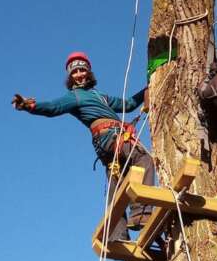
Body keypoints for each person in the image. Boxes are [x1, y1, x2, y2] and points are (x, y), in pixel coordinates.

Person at [12, 51, 154, 242]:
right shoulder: (74, 97)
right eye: (75, 72)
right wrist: (30, 106)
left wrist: (147, 88)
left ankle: (116, 234)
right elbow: (53, 108)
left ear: (88, 73)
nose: (79, 74)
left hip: (111, 141)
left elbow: (127, 105)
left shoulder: (99, 96)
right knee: (144, 158)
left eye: (82, 70)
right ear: (70, 76)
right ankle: (142, 211)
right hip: (109, 138)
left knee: (117, 183)